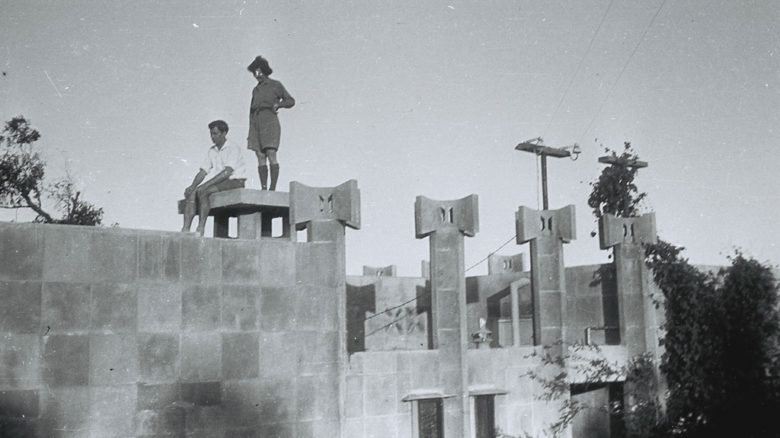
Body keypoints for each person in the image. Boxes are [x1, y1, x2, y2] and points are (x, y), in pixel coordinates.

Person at [182, 120, 246, 235]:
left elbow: (228, 172)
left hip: (235, 181)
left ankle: (200, 228)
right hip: (221, 182)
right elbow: (203, 171)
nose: (212, 137)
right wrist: (192, 186)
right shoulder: (212, 150)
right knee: (192, 192)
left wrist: (206, 185)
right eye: (211, 134)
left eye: (215, 134)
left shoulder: (233, 147)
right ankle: (185, 230)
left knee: (204, 191)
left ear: (224, 133)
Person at [246, 55, 295, 190]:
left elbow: (291, 101)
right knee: (260, 156)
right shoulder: (255, 90)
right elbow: (251, 111)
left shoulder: (275, 85)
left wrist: (279, 105)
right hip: (256, 124)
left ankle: (272, 188)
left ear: (265, 71)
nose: (257, 75)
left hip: (270, 122)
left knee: (271, 154)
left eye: (259, 72)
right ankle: (264, 188)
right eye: (255, 73)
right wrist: (251, 132)